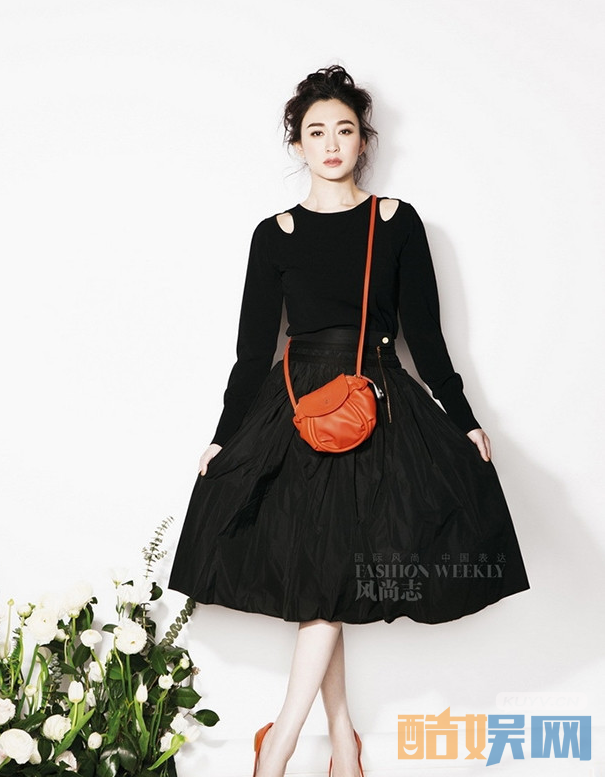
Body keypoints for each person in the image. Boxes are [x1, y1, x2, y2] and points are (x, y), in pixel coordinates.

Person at [168, 64, 530, 777]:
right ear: (296, 144)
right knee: (323, 580)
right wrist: (222, 435)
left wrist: (462, 418)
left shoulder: (395, 221)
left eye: (343, 130)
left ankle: (276, 748)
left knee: (325, 580)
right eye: (315, 132)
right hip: (296, 411)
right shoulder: (273, 233)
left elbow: (425, 338)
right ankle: (341, 743)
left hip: (374, 403)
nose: (331, 144)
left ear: (364, 140)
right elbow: (252, 353)